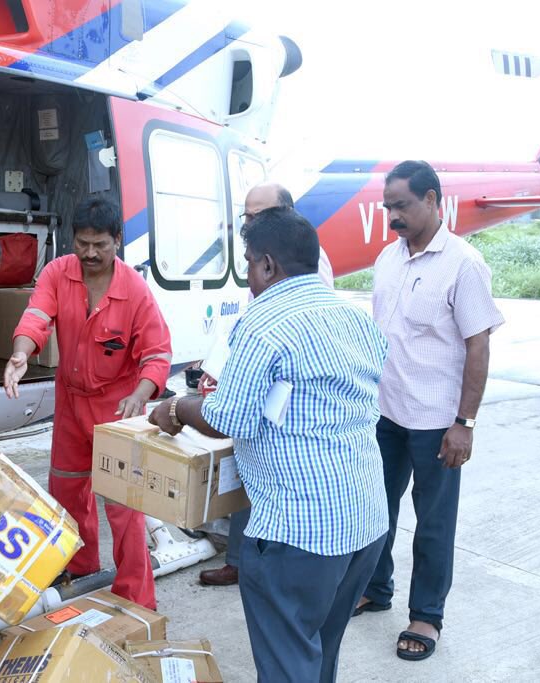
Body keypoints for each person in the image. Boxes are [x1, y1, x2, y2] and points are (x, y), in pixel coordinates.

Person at [150, 207, 389, 682]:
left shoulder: (262, 324)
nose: (248, 275)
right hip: (365, 520)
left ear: (266, 265)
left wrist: (176, 408)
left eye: (247, 263)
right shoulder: (354, 316)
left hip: (298, 532)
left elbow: (228, 418)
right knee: (319, 647)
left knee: (286, 661)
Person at [354, 160, 505, 661]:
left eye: (401, 206)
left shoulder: (464, 263)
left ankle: (426, 616)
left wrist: (464, 424)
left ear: (433, 200)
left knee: (433, 522)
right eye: (387, 207)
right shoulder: (388, 258)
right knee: (377, 509)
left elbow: (478, 349)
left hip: (438, 421)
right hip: (387, 413)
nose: (392, 216)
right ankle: (376, 590)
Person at [3, 197, 172, 609]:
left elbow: (157, 354)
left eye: (100, 244)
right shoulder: (57, 273)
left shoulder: (135, 290)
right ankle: (81, 570)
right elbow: (37, 316)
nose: (90, 253)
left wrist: (140, 394)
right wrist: (21, 352)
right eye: (82, 243)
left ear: (118, 240)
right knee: (67, 488)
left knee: (124, 506)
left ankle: (136, 597)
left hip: (119, 409)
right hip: (71, 403)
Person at [199, 181, 334, 588]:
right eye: (247, 216)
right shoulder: (267, 258)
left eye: (260, 216)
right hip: (262, 391)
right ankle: (241, 558)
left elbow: (285, 334)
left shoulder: (306, 265)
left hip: (288, 412)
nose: (251, 224)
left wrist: (178, 409)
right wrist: (218, 367)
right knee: (247, 471)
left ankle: (250, 562)